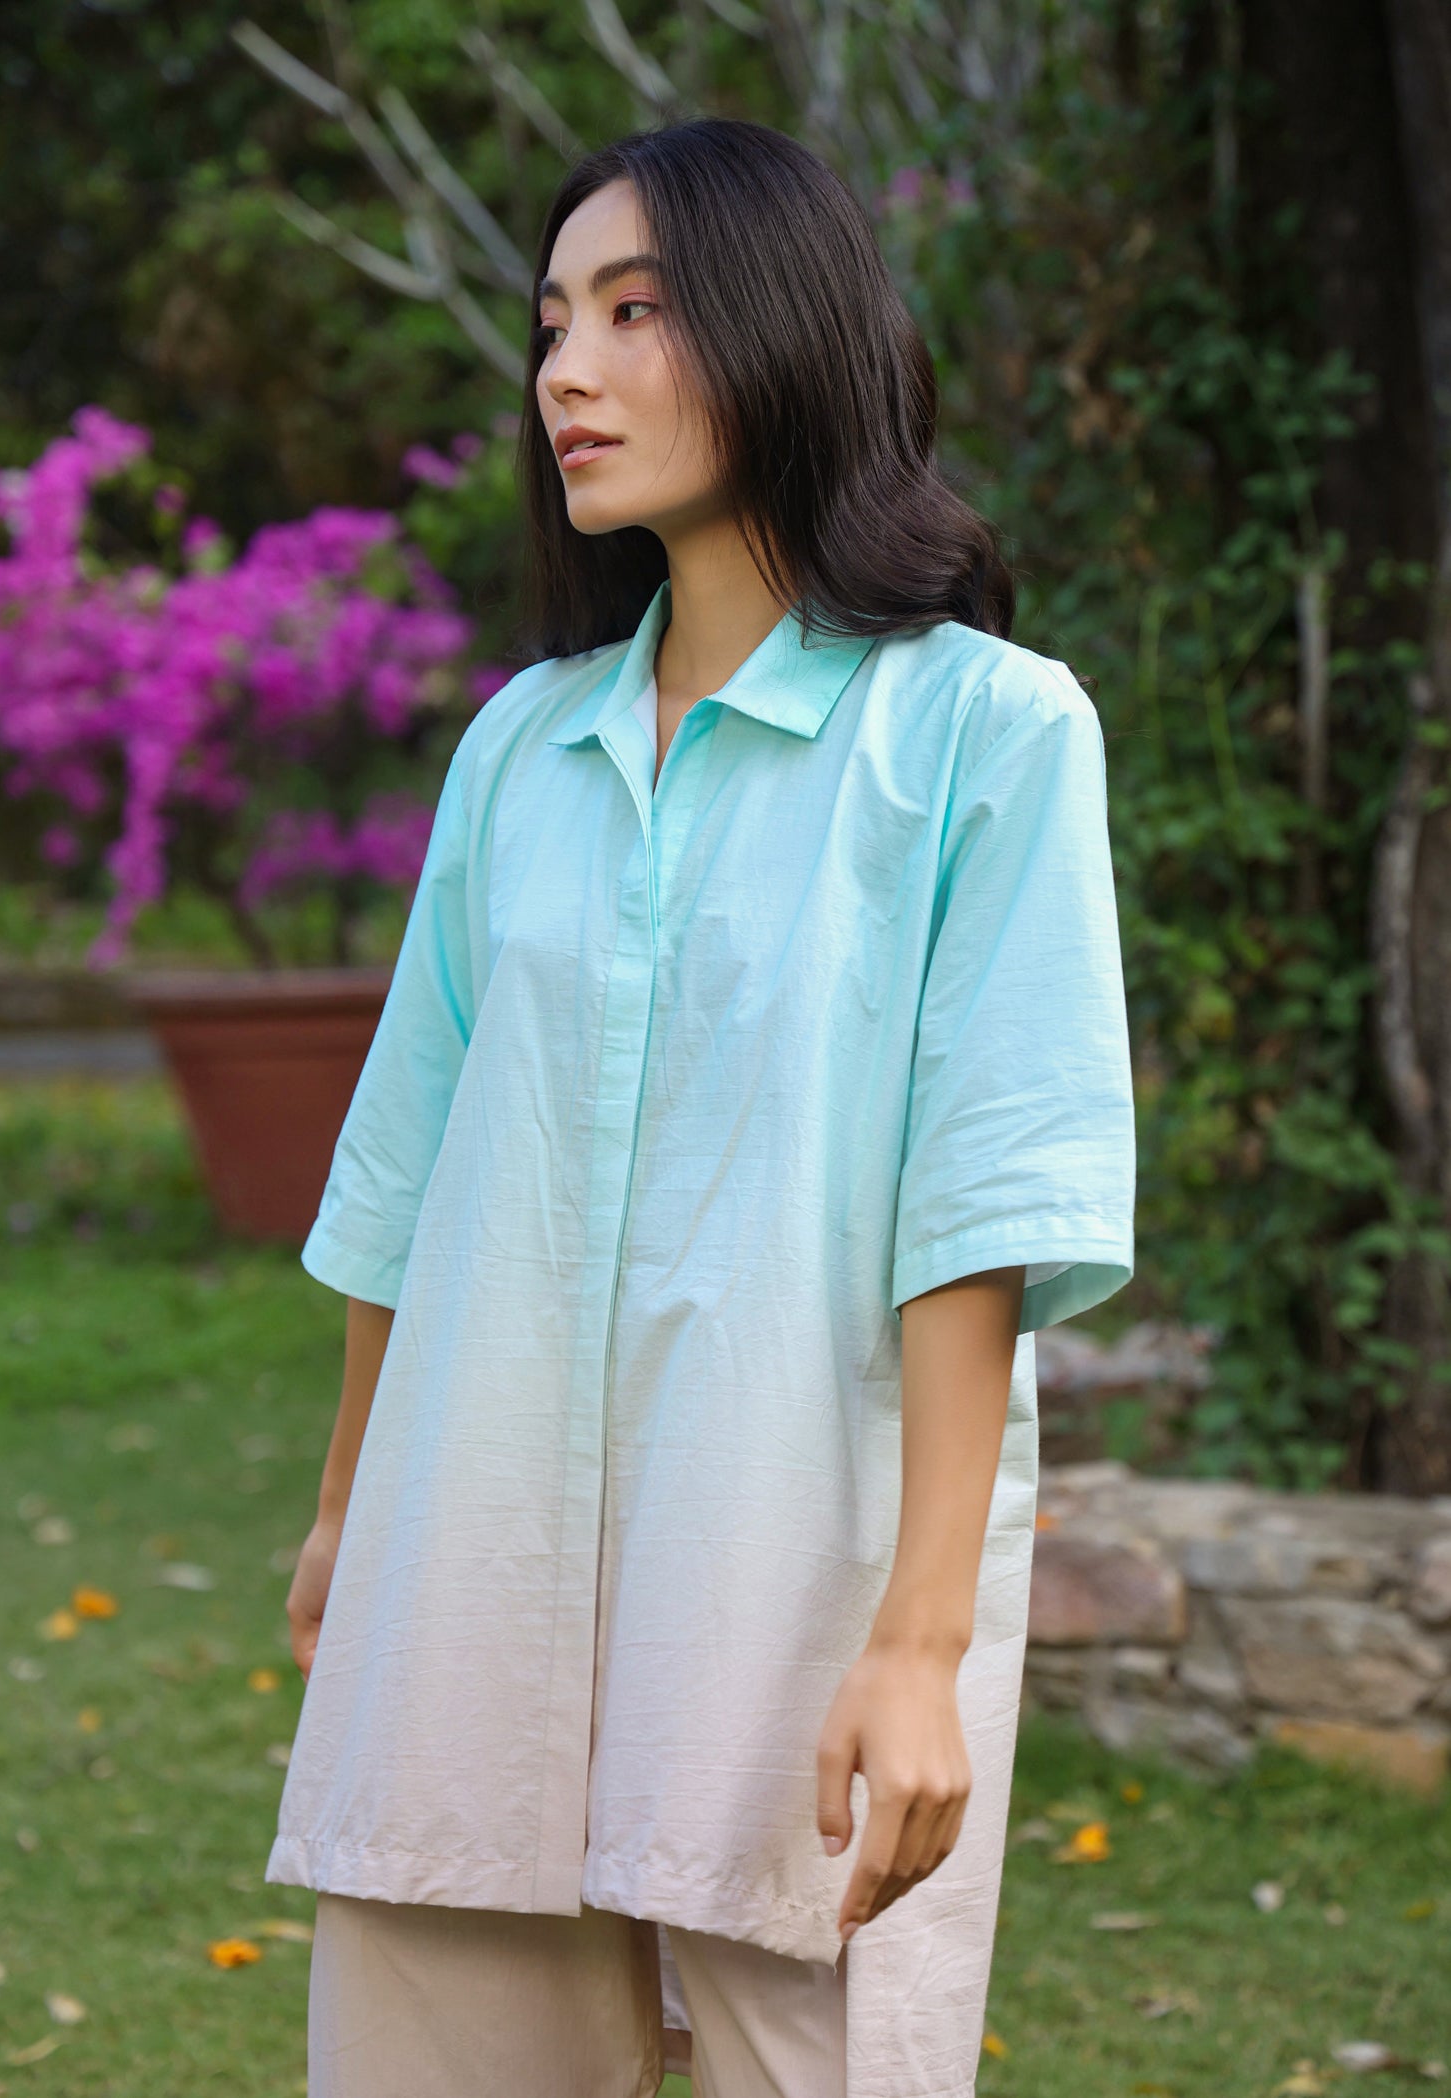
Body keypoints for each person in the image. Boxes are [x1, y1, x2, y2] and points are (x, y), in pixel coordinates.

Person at [265, 115, 1135, 2098]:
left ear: (781, 327)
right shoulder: (521, 749)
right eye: (551, 321)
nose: (566, 371)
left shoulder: (988, 732)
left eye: (634, 312)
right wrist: (342, 1511)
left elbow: (984, 1199)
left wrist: (919, 1639)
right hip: (471, 1540)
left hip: (802, 1556)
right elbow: (407, 1168)